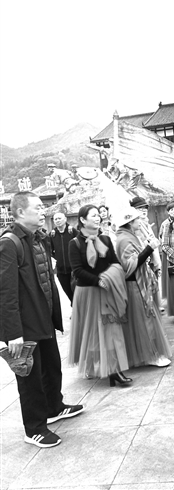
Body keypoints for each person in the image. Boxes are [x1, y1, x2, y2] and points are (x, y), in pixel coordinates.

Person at [0, 191, 84, 448]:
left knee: (51, 367)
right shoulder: (9, 243)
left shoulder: (40, 238)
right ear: (20, 212)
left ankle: (54, 407)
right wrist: (13, 333)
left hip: (43, 318)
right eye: (37, 208)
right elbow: (6, 293)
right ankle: (34, 428)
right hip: (25, 326)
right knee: (30, 378)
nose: (43, 211)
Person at [68, 204, 131, 386]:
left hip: (107, 290)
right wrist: (97, 281)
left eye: (98, 215)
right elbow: (77, 271)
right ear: (82, 220)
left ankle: (114, 370)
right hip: (87, 293)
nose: (98, 218)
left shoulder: (105, 239)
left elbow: (115, 262)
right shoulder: (75, 243)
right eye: (93, 215)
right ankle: (95, 366)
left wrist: (109, 278)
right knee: (92, 332)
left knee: (110, 329)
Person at [115, 209, 172, 368]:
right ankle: (151, 355)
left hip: (139, 284)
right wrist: (149, 248)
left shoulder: (129, 236)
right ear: (130, 223)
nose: (140, 222)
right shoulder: (124, 240)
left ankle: (149, 354)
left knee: (145, 319)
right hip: (135, 285)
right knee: (145, 320)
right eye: (137, 219)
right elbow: (130, 266)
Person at [50, 211, 78, 305]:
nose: (57, 220)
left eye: (59, 218)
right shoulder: (53, 234)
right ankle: (74, 306)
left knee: (76, 291)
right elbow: (50, 250)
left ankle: (77, 308)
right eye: (55, 219)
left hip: (73, 269)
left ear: (65, 219)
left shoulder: (72, 231)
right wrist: (56, 259)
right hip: (61, 270)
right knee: (67, 291)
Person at [159, 202, 174, 301]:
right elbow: (161, 238)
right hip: (168, 251)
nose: (173, 211)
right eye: (171, 210)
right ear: (168, 212)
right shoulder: (165, 223)